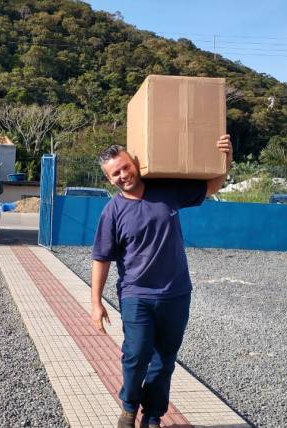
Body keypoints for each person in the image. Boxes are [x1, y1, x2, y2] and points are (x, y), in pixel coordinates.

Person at [91, 135, 232, 428]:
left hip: (176, 293)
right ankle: (129, 406)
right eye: (115, 173)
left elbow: (212, 185)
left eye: (125, 167)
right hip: (136, 294)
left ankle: (152, 415)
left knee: (164, 359)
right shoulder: (113, 211)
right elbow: (101, 258)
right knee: (136, 353)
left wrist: (226, 157)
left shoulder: (166, 192)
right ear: (108, 178)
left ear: (136, 164)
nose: (123, 175)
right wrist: (96, 303)